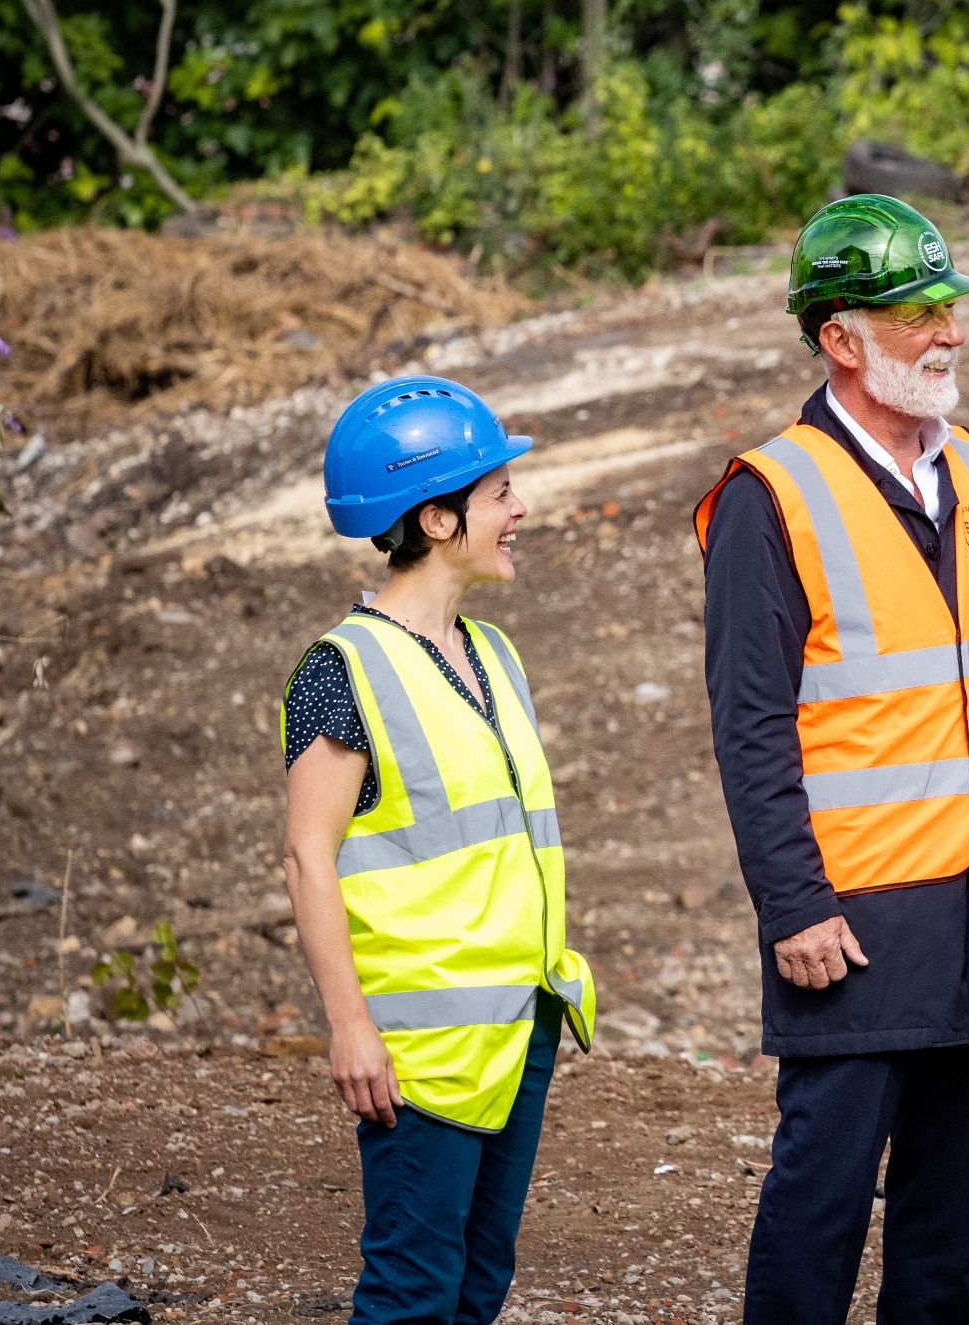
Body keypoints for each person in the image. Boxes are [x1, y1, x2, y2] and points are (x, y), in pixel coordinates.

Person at [695, 193, 969, 1325]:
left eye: (950, 306)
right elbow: (748, 725)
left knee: (950, 1227)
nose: (949, 331)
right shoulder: (771, 494)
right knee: (819, 1206)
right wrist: (793, 902)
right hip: (850, 923)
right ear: (840, 339)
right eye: (918, 313)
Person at [282, 375, 596, 1325]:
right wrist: (349, 1026)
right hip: (420, 1050)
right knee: (412, 1291)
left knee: (475, 1286)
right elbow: (307, 856)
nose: (519, 508)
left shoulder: (494, 652)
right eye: (499, 492)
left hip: (517, 1025)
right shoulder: (343, 669)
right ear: (435, 516)